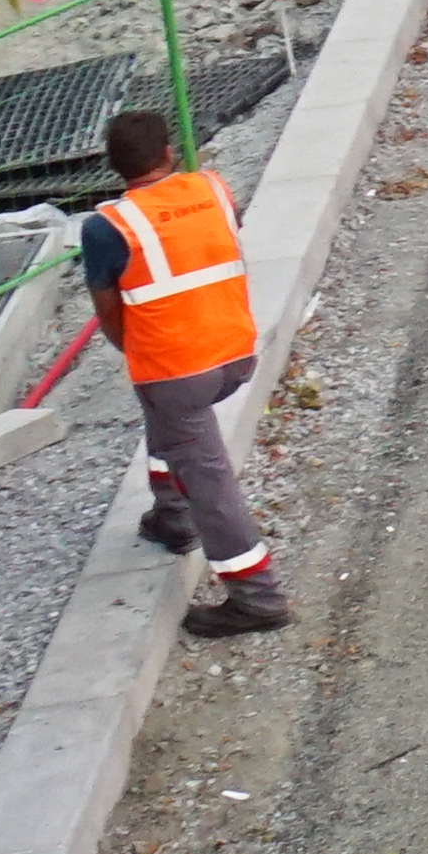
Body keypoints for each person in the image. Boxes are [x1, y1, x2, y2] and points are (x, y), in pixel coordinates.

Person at [83, 106, 285, 638]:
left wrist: (142, 353)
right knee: (166, 415)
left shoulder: (107, 227)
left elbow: (109, 312)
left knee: (209, 478)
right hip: (235, 349)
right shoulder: (212, 189)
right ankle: (172, 517)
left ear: (115, 167)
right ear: (168, 154)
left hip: (176, 370)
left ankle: (258, 597)